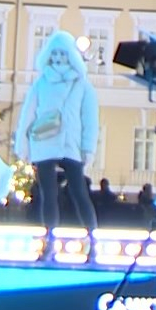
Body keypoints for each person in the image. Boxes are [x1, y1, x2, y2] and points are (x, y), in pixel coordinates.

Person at [15, 29, 99, 261]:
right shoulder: (41, 83)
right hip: (44, 143)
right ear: (49, 56)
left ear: (71, 56)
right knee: (48, 194)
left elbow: (90, 119)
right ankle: (49, 242)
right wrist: (22, 143)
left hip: (70, 145)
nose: (59, 58)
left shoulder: (82, 84)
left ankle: (93, 241)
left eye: (63, 54)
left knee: (79, 192)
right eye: (55, 54)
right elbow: (28, 114)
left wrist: (88, 147)